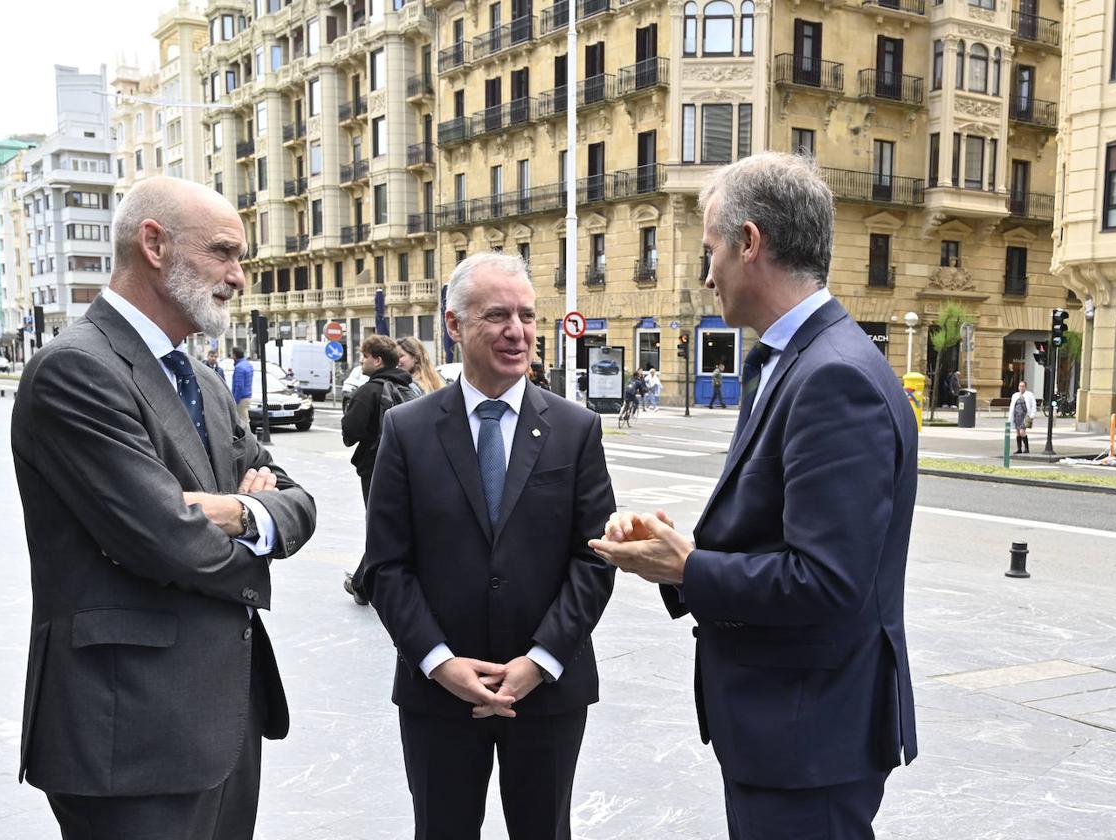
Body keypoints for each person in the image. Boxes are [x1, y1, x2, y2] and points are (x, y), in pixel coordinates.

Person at [589, 153, 918, 840]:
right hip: (793, 729)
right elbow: (777, 535)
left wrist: (687, 568)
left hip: (810, 735)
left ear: (749, 243)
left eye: (710, 250)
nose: (706, 273)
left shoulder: (833, 377)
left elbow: (826, 582)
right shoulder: (794, 359)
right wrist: (676, 550)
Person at [10, 176, 317, 840]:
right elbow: (166, 537)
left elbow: (299, 502)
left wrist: (239, 513)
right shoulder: (75, 370)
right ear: (153, 243)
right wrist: (231, 516)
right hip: (130, 738)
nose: (238, 276)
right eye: (223, 252)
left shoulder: (201, 379)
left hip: (223, 721)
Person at [362, 252, 616, 840]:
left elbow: (594, 558)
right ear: (454, 325)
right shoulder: (408, 429)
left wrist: (541, 660)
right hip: (439, 694)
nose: (517, 331)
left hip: (548, 691)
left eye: (527, 315)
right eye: (497, 315)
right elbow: (386, 566)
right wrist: (438, 662)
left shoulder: (576, 429)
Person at [340, 334, 415, 605]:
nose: (361, 360)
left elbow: (350, 432)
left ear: (378, 360)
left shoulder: (369, 390)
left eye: (365, 355)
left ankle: (363, 584)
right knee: (394, 524)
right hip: (410, 465)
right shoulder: (411, 387)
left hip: (376, 468)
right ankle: (363, 582)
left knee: (379, 526)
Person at [1009, 379, 1036, 454]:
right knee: (1018, 432)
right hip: (1016, 416)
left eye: (1023, 386)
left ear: (1025, 387)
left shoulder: (1030, 395)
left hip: (1026, 416)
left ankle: (1027, 448)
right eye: (1020, 386)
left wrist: (1032, 415)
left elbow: (1033, 405)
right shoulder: (1015, 395)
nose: (1021, 388)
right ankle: (1019, 449)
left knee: (1022, 432)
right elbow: (1012, 406)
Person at [232, 345, 253, 427]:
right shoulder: (248, 365)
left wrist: (234, 401)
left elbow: (239, 386)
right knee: (245, 419)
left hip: (241, 399)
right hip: (248, 396)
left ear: (234, 355)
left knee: (243, 423)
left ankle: (247, 439)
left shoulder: (239, 367)